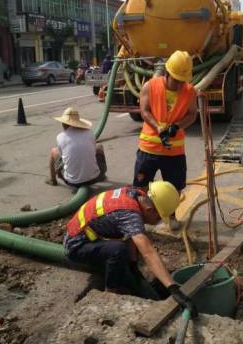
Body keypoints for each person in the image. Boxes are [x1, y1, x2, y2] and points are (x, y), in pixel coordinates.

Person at [63, 181, 197, 315]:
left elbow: (131, 233)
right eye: (159, 218)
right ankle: (110, 294)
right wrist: (173, 289)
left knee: (125, 250)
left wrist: (133, 264)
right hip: (76, 246)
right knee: (118, 250)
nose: (159, 222)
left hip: (90, 235)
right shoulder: (129, 215)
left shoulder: (135, 194)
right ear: (150, 210)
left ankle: (126, 272)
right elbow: (148, 252)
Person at [133, 50, 197, 193]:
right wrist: (158, 128)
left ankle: (172, 216)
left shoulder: (190, 91)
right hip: (149, 149)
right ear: (167, 73)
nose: (180, 85)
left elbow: (192, 115)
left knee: (174, 191)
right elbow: (144, 111)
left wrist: (177, 127)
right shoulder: (150, 86)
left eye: (183, 81)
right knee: (140, 190)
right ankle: (143, 215)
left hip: (174, 152)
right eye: (176, 80)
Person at [47, 107, 107, 188]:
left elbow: (62, 157)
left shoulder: (60, 137)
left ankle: (52, 180)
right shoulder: (90, 133)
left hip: (72, 182)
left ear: (64, 124)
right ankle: (102, 175)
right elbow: (93, 150)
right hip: (95, 178)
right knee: (99, 146)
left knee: (53, 151)